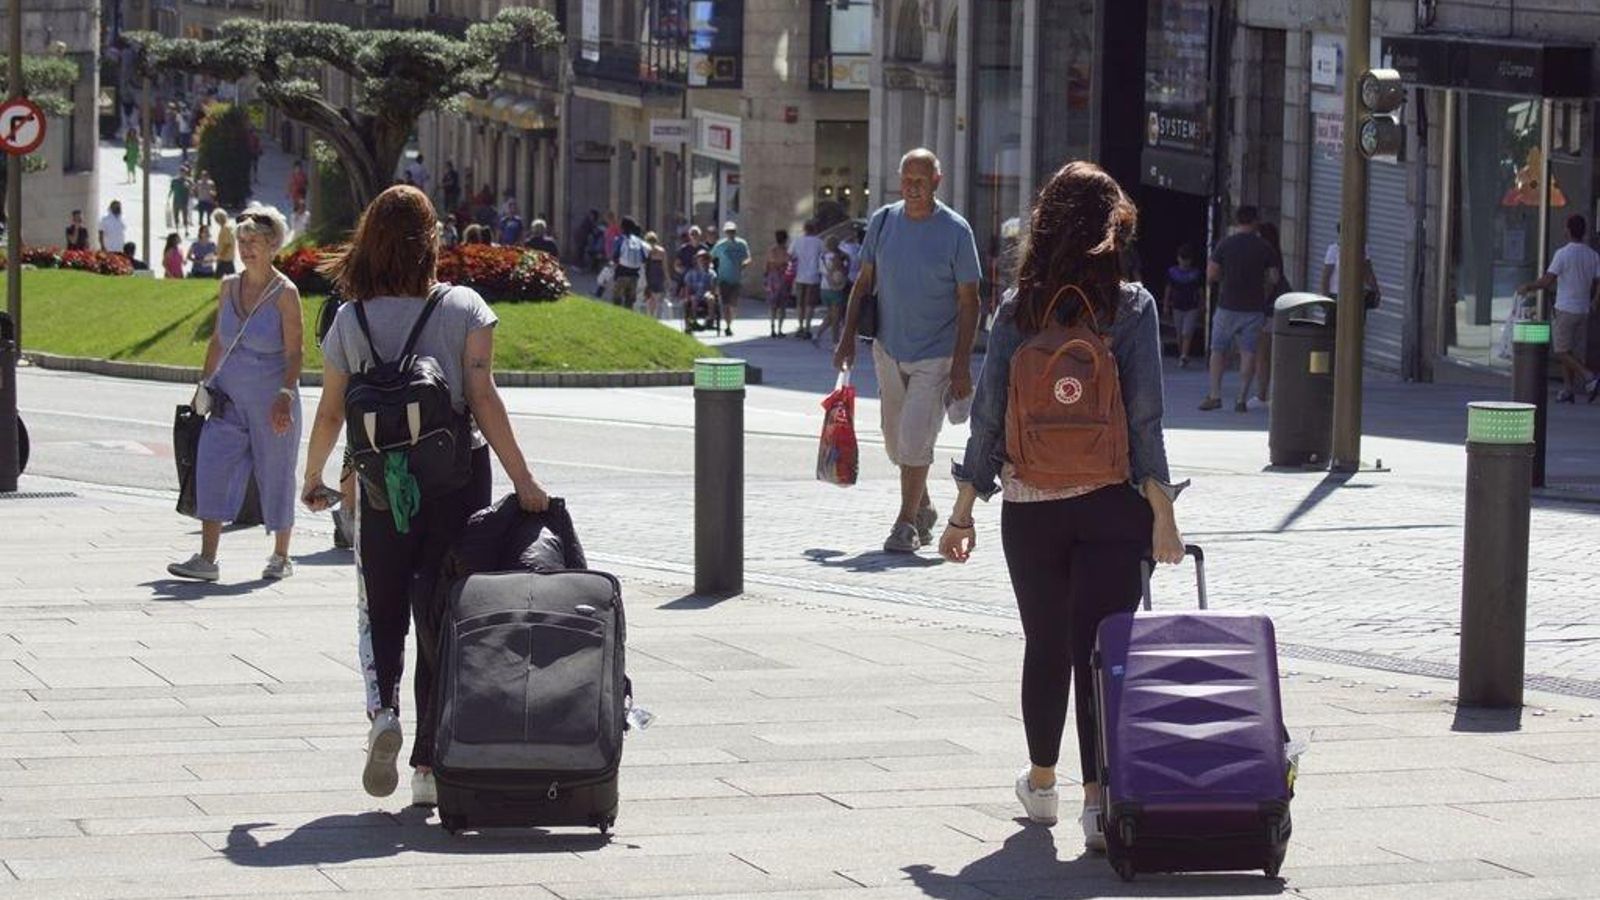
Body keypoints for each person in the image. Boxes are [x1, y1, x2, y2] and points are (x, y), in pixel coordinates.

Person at [938, 160, 1185, 852]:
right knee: (1102, 653)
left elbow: (988, 418)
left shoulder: (1019, 308)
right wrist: (1163, 514)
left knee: (1046, 645)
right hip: (1114, 503)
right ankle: (1096, 801)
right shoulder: (1133, 308)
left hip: (1032, 505)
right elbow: (1146, 421)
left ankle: (1042, 785)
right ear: (1114, 227)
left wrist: (962, 513)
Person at [301, 184, 550, 807]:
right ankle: (427, 768)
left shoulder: (349, 318)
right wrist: (524, 481)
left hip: (382, 489)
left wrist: (314, 478)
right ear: (430, 238)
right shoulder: (464, 306)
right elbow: (484, 400)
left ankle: (383, 712)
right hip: (456, 483)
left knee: (384, 611)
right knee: (443, 616)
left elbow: (331, 412)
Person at [833, 148, 981, 553]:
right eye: (907, 180)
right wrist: (847, 339)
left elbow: (971, 301)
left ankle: (904, 525)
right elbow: (862, 285)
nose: (913, 188)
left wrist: (962, 364)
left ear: (937, 181)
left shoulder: (956, 230)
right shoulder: (883, 221)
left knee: (916, 438)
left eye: (921, 180)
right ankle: (924, 506)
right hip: (888, 347)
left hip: (937, 353)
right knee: (895, 442)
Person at [166, 204, 304, 584]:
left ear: (273, 244)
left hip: (272, 400)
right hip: (228, 397)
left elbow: (296, 352)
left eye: (254, 242)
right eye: (242, 241)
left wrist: (285, 396)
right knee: (211, 463)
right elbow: (216, 341)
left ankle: (280, 555)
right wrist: (203, 385)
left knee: (276, 473)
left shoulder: (285, 294)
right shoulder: (228, 287)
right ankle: (207, 558)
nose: (246, 248)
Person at [1201, 205, 1278, 412]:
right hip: (1254, 308)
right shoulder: (1264, 247)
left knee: (1218, 350)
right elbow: (1273, 278)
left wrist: (1222, 280)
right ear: (1255, 221)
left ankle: (1215, 395)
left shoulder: (1225, 244)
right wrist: (1264, 292)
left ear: (1237, 221)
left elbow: (1212, 274)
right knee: (1248, 353)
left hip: (1227, 305)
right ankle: (1241, 398)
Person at [1518, 214, 1600, 402]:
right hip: (1584, 310)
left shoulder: (1563, 254)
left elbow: (1548, 280)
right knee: (1568, 350)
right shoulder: (1592, 255)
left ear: (1569, 230)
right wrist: (1595, 301)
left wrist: (1528, 286)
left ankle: (1589, 376)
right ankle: (1568, 389)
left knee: (1561, 351)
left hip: (1565, 308)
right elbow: (1599, 281)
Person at [1256, 222, 1293, 404]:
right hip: (1280, 305)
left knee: (1264, 353)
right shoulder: (1275, 253)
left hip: (1270, 308)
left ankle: (1264, 395)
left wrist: (1260, 301)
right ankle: (1269, 394)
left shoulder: (1267, 255)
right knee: (1271, 353)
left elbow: (1272, 281)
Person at [1162, 244, 1205, 368]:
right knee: (1179, 333)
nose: (1184, 262)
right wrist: (1165, 304)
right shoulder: (1172, 272)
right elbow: (1168, 289)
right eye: (1182, 259)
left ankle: (1184, 355)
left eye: (1187, 259)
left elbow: (1200, 290)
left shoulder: (1196, 274)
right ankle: (1182, 353)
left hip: (1192, 306)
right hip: (1177, 306)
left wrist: (1202, 304)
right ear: (1178, 258)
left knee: (1187, 332)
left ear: (1190, 260)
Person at [710, 221, 750, 337]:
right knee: (725, 304)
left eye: (732, 231)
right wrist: (711, 267)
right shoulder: (720, 245)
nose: (730, 233)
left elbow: (748, 258)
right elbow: (711, 256)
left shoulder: (742, 244)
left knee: (733, 305)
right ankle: (728, 327)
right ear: (725, 232)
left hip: (736, 278)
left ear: (735, 232)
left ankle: (730, 321)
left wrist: (744, 264)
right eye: (728, 231)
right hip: (724, 278)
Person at [789, 220, 825, 341]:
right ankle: (807, 328)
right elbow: (824, 256)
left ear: (804, 229)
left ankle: (800, 326)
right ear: (815, 229)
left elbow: (791, 255)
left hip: (800, 274)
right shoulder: (819, 242)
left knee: (800, 302)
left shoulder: (797, 241)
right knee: (810, 303)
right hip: (814, 275)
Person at [816, 234, 849, 347]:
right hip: (835, 288)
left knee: (830, 314)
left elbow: (821, 271)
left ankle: (818, 335)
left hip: (824, 287)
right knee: (836, 317)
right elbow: (843, 270)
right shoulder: (837, 257)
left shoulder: (822, 257)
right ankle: (836, 342)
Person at [610, 216, 648, 311]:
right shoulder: (638, 241)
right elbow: (644, 258)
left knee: (617, 298)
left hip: (621, 272)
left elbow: (615, 256)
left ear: (622, 227)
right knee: (629, 300)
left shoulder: (620, 239)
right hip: (634, 274)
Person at [683, 248, 718, 333]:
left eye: (705, 258)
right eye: (700, 259)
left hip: (706, 294)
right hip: (695, 294)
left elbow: (713, 287)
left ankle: (710, 320)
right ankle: (693, 321)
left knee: (711, 298)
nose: (703, 261)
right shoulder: (691, 272)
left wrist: (712, 294)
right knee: (693, 299)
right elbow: (687, 286)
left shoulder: (711, 273)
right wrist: (687, 297)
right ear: (697, 260)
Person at [765, 230, 792, 338]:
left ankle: (772, 327)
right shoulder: (786, 251)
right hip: (783, 279)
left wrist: (766, 279)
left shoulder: (772, 251)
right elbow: (788, 264)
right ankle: (780, 329)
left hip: (773, 279)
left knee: (773, 306)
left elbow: (767, 265)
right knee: (782, 306)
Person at [673, 225, 705, 302]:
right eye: (692, 234)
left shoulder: (704, 248)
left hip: (700, 276)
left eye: (696, 234)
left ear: (700, 235)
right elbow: (677, 264)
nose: (694, 236)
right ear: (689, 236)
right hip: (686, 276)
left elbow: (708, 262)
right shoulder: (683, 249)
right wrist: (681, 270)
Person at [643, 231, 668, 319]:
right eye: (649, 241)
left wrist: (667, 278)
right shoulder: (645, 252)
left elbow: (664, 266)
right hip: (649, 277)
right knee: (650, 298)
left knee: (657, 298)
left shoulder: (661, 251)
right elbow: (644, 266)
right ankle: (650, 316)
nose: (651, 243)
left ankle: (656, 316)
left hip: (658, 277)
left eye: (653, 241)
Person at [213, 210, 238, 277]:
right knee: (232, 278)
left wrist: (220, 256)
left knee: (217, 278)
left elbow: (227, 244)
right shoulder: (227, 227)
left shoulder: (226, 228)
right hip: (228, 258)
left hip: (225, 259)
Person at [170, 167, 193, 237]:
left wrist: (189, 187)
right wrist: (169, 197)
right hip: (176, 201)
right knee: (176, 215)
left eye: (184, 172)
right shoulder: (174, 180)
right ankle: (177, 230)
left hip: (184, 201)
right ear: (179, 172)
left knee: (185, 216)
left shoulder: (189, 181)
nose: (183, 173)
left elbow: (193, 190)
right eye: (181, 172)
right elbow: (172, 188)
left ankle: (186, 230)